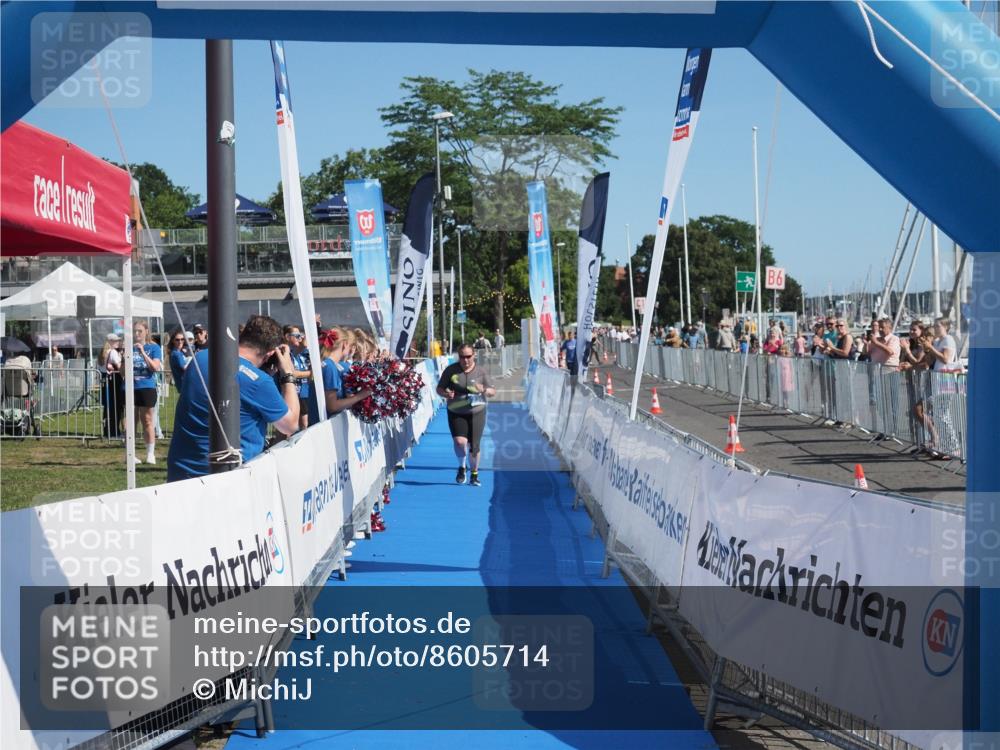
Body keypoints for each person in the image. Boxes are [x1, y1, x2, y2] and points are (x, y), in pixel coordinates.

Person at [167, 315, 300, 481]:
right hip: (227, 477)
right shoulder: (259, 382)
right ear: (270, 353)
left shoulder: (201, 358)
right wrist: (288, 374)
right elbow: (290, 425)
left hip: (181, 470)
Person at [437, 343, 496, 487]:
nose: (465, 360)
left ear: (474, 355)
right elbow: (439, 388)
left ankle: (474, 474)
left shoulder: (481, 371)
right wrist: (446, 394)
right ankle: (462, 467)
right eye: (462, 357)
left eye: (468, 356)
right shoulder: (451, 370)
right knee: (460, 442)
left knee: (474, 446)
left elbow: (492, 392)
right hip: (456, 411)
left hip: (477, 412)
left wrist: (483, 390)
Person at [307, 328, 373, 424]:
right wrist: (360, 396)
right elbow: (332, 406)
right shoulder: (329, 366)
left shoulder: (330, 365)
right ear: (345, 344)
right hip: (322, 428)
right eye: (351, 346)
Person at [131, 320, 162, 465]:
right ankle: (129, 454)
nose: (137, 334)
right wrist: (125, 356)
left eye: (140, 331)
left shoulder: (153, 347)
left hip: (147, 387)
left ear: (146, 331)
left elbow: (155, 367)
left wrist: (142, 352)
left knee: (147, 420)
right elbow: (122, 372)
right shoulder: (129, 347)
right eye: (135, 331)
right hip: (130, 387)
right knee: (131, 421)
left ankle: (150, 453)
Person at [284, 324, 313, 431]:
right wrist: (311, 373)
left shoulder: (299, 355)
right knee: (287, 431)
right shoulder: (285, 353)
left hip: (302, 393)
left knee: (304, 425)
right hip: (290, 394)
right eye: (297, 335)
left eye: (301, 335)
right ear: (287, 337)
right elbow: (293, 373)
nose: (300, 338)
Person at [98, 334, 125, 438]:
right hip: (114, 382)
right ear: (109, 342)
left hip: (105, 382)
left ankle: (107, 431)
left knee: (108, 408)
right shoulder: (113, 352)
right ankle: (114, 432)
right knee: (115, 407)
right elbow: (119, 367)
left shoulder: (101, 354)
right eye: (115, 341)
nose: (117, 342)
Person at [167, 328, 193, 393]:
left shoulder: (178, 352)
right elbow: (185, 368)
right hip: (184, 385)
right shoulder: (176, 354)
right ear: (173, 341)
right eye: (177, 340)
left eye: (182, 339)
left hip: (183, 384)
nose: (180, 341)